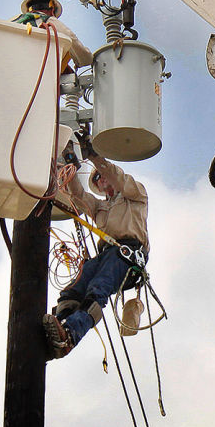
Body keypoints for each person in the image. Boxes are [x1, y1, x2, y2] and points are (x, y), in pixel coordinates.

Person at [43, 146, 150, 359]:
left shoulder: (136, 196)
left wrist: (93, 156)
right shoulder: (100, 207)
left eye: (103, 175)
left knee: (97, 288)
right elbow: (79, 195)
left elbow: (118, 178)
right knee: (72, 291)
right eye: (97, 178)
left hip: (127, 253)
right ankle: (61, 326)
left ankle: (72, 334)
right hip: (106, 255)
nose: (101, 179)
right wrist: (72, 166)